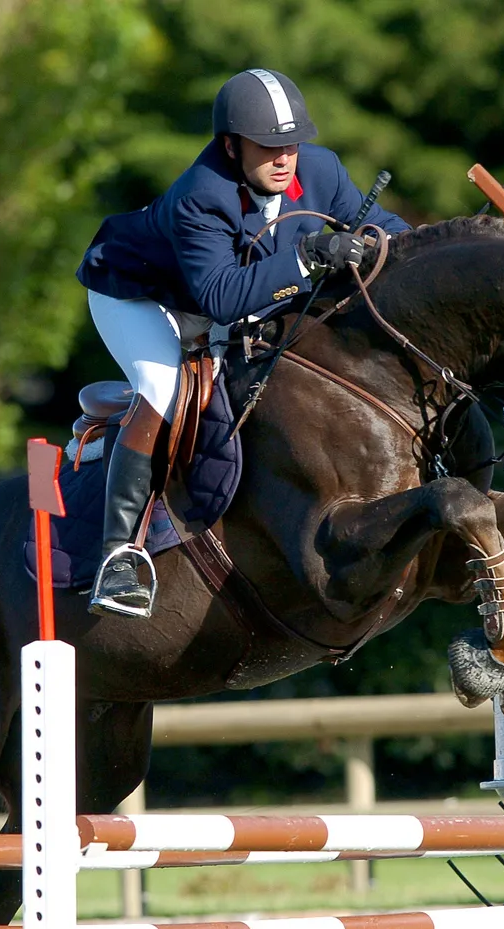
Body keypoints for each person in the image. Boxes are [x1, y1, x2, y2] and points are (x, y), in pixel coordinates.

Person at [76, 68, 411, 619]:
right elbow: (221, 298)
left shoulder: (321, 170)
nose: (285, 159)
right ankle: (119, 555)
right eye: (268, 147)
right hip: (138, 293)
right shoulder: (201, 196)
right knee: (164, 386)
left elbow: (388, 227)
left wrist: (409, 250)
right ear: (231, 146)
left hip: (217, 288)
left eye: (291, 145)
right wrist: (308, 258)